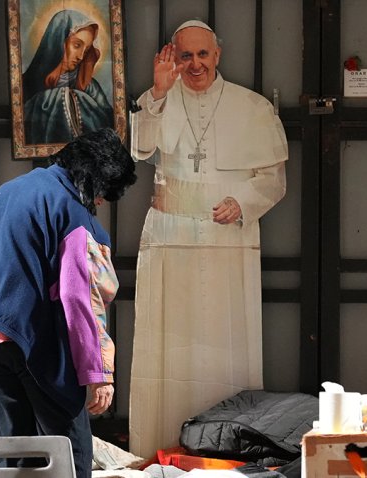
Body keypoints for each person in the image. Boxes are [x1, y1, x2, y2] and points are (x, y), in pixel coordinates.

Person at [128, 20, 288, 458]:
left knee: (224, 347)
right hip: (170, 237)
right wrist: (159, 94)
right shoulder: (156, 100)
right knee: (168, 349)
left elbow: (273, 179)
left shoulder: (251, 107)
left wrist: (243, 202)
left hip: (226, 242)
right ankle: (160, 451)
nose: (195, 64)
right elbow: (138, 149)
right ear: (173, 58)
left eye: (202, 55)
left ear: (217, 55)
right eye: (185, 56)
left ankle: (229, 450)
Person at [0, 128, 136, 478]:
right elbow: (77, 297)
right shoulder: (69, 209)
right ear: (92, 178)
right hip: (31, 339)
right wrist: (97, 374)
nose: (98, 203)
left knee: (13, 452)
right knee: (68, 449)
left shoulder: (4, 194)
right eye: (102, 195)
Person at [22, 9, 114, 145]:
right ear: (58, 41)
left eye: (87, 50)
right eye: (77, 45)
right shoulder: (28, 82)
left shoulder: (89, 86)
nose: (81, 56)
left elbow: (109, 123)